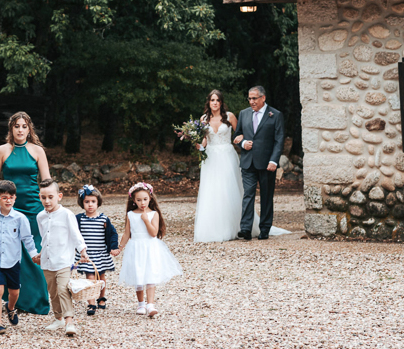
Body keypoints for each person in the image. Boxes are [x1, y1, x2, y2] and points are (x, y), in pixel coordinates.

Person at [0, 111, 51, 315]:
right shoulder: (2, 150)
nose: (20, 130)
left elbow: (46, 180)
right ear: (11, 129)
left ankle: (36, 300)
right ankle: (11, 297)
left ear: (29, 129)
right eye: (16, 126)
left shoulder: (37, 150)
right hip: (11, 206)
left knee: (34, 251)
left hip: (33, 207)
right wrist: (0, 199)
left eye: (24, 126)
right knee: (10, 249)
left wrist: (49, 202)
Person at [0, 180, 40, 335]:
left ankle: (11, 308)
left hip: (13, 261)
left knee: (14, 293)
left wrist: (34, 254)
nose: (8, 200)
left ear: (15, 198)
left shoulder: (20, 218)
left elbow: (27, 238)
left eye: (11, 197)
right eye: (4, 197)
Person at [232, 86, 290, 241]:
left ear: (263, 98)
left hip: (267, 163)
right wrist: (243, 144)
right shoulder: (244, 114)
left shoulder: (275, 115)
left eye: (254, 98)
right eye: (249, 99)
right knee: (248, 195)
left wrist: (274, 160)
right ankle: (245, 229)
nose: (252, 102)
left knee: (266, 196)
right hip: (248, 162)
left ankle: (265, 228)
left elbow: (279, 140)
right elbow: (237, 135)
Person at [118, 182, 183, 318]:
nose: (142, 203)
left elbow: (154, 233)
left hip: (150, 247)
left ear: (150, 198)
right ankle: (141, 303)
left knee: (150, 274)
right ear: (133, 200)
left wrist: (146, 220)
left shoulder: (154, 214)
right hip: (136, 247)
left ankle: (150, 304)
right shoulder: (131, 214)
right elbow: (126, 233)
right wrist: (119, 248)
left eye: (145, 199)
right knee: (138, 274)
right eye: (139, 200)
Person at [35, 179, 89, 336]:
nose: (47, 201)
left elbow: (75, 234)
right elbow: (45, 237)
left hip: (64, 260)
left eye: (50, 197)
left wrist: (83, 250)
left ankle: (69, 322)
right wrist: (41, 252)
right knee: (52, 291)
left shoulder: (67, 214)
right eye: (43, 197)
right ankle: (58, 318)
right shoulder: (40, 217)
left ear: (59, 196)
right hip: (47, 260)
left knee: (63, 289)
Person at [192, 89, 244, 242]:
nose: (214, 103)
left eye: (217, 100)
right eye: (212, 100)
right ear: (209, 102)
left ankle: (233, 226)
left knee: (228, 189)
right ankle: (213, 228)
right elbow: (204, 140)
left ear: (221, 102)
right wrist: (199, 146)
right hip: (210, 157)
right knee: (212, 191)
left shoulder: (230, 116)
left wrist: (241, 139)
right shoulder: (203, 119)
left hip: (227, 155)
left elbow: (240, 133)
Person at [74, 184, 119, 315]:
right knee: (90, 277)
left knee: (101, 276)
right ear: (82, 203)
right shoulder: (79, 219)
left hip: (101, 253)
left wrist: (113, 247)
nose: (90, 205)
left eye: (93, 201)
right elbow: (74, 234)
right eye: (87, 202)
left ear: (98, 202)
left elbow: (112, 234)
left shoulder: (103, 219)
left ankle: (101, 297)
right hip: (86, 254)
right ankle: (91, 303)